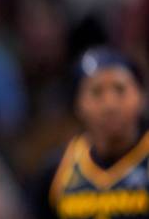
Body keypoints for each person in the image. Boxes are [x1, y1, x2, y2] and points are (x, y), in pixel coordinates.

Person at [34, 47, 148, 218]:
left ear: (141, 97)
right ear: (78, 104)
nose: (110, 105)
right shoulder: (56, 170)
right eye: (96, 92)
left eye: (120, 90)